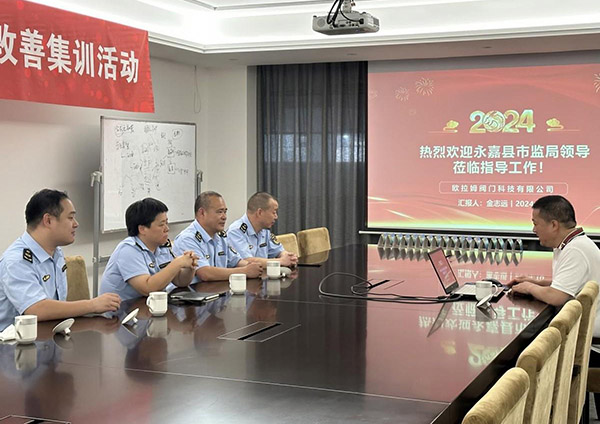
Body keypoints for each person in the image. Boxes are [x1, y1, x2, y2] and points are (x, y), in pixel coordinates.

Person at [0, 189, 121, 331]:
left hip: (50, 334)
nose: (76, 224)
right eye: (70, 218)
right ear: (48, 220)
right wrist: (92, 305)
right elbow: (36, 309)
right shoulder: (17, 261)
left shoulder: (56, 252)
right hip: (15, 342)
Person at [509, 195, 600, 335]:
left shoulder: (575, 249)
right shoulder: (572, 244)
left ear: (553, 225)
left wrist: (529, 287)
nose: (534, 230)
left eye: (535, 224)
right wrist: (536, 282)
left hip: (586, 334)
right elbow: (567, 285)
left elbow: (556, 296)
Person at [100, 198, 198, 301]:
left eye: (167, 223)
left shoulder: (162, 246)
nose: (167, 229)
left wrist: (190, 267)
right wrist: (177, 263)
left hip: (149, 306)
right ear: (142, 229)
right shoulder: (128, 250)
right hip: (122, 309)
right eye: (161, 225)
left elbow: (180, 281)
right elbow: (147, 288)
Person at [173, 191, 262, 282]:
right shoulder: (187, 239)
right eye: (220, 212)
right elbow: (205, 273)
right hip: (193, 290)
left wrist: (252, 266)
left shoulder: (220, 237)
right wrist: (245, 271)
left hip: (216, 289)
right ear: (202, 213)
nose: (224, 217)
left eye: (225, 212)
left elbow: (236, 261)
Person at [227, 192, 298, 267]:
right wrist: (281, 261)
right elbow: (246, 261)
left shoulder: (264, 230)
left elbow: (278, 251)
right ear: (260, 212)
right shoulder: (235, 231)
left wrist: (288, 257)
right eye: (274, 212)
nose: (276, 217)